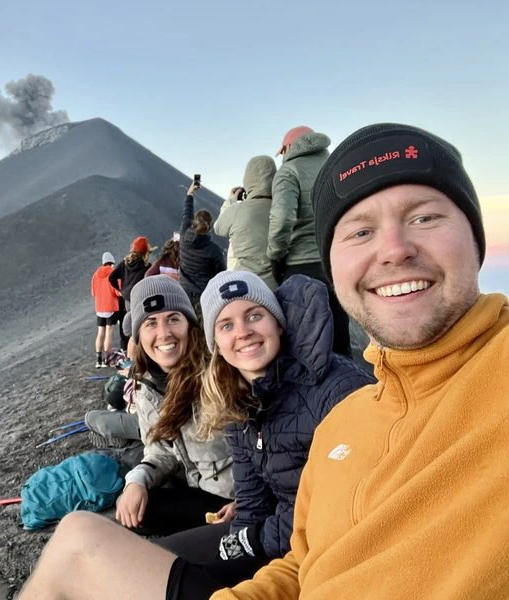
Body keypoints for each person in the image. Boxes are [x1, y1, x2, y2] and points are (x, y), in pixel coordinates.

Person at [208, 122, 509, 599]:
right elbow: (304, 564)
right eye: (361, 231)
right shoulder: (342, 425)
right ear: (333, 266)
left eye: (425, 217)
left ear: (476, 237)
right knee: (82, 543)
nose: (393, 250)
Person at [0, 271, 371, 600]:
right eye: (226, 325)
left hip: (292, 542)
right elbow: (174, 454)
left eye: (255, 315)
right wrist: (141, 481)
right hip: (261, 525)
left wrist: (244, 535)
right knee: (117, 532)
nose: (242, 333)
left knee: (100, 545)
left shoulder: (239, 383)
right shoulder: (231, 388)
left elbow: (331, 511)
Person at [114, 275, 234, 536]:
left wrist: (248, 500)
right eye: (150, 323)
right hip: (203, 496)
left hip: (237, 499)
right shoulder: (147, 386)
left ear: (189, 324)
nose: (164, 333)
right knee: (133, 511)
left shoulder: (221, 371)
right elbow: (159, 451)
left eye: (173, 319)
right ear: (138, 335)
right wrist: (137, 483)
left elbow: (261, 447)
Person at [269, 125, 351, 356]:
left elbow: (283, 218)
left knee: (305, 343)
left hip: (301, 265)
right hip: (336, 260)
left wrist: (276, 256)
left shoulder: (288, 171)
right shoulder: (336, 165)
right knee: (340, 338)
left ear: (288, 147)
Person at [214, 156, 278, 290]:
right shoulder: (282, 208)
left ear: (248, 180)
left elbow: (218, 228)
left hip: (245, 286)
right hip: (276, 285)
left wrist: (230, 201)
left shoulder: (237, 210)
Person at [180, 182, 226, 318]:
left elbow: (186, 213)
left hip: (183, 292)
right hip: (204, 296)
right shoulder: (214, 250)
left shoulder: (183, 234)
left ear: (194, 222)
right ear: (209, 227)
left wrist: (190, 194)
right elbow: (221, 275)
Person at [109, 236, 152, 351]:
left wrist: (119, 290)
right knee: (140, 325)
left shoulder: (124, 263)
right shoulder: (147, 266)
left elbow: (111, 277)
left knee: (130, 326)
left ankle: (128, 351)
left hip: (127, 299)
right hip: (139, 298)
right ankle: (141, 351)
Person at [90, 251, 120, 367]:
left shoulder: (95, 275)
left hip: (99, 308)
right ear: (112, 262)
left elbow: (93, 292)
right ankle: (107, 360)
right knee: (109, 332)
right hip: (111, 307)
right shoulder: (113, 273)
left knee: (100, 333)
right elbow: (117, 291)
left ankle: (98, 361)